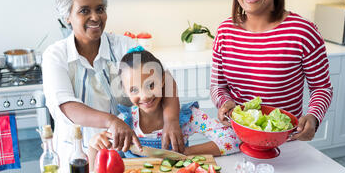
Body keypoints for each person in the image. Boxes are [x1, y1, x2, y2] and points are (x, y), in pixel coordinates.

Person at [41, 0, 184, 173]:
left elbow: (164, 77)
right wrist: (111, 121)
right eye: (84, 11)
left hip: (125, 158)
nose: (95, 17)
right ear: (67, 16)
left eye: (100, 9)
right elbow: (67, 107)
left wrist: (171, 120)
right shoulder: (55, 56)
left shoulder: (123, 46)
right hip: (78, 158)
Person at [211, 0, 333, 141]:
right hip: (235, 137)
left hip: (284, 141)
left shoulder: (303, 32)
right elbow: (218, 85)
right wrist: (225, 102)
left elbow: (322, 88)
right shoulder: (225, 31)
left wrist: (313, 117)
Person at [88, 46, 241, 156]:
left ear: (163, 81)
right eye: (134, 90)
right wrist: (94, 144)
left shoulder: (187, 117)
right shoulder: (125, 123)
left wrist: (186, 153)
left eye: (150, 85)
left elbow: (233, 139)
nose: (145, 96)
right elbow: (103, 157)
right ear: (125, 91)